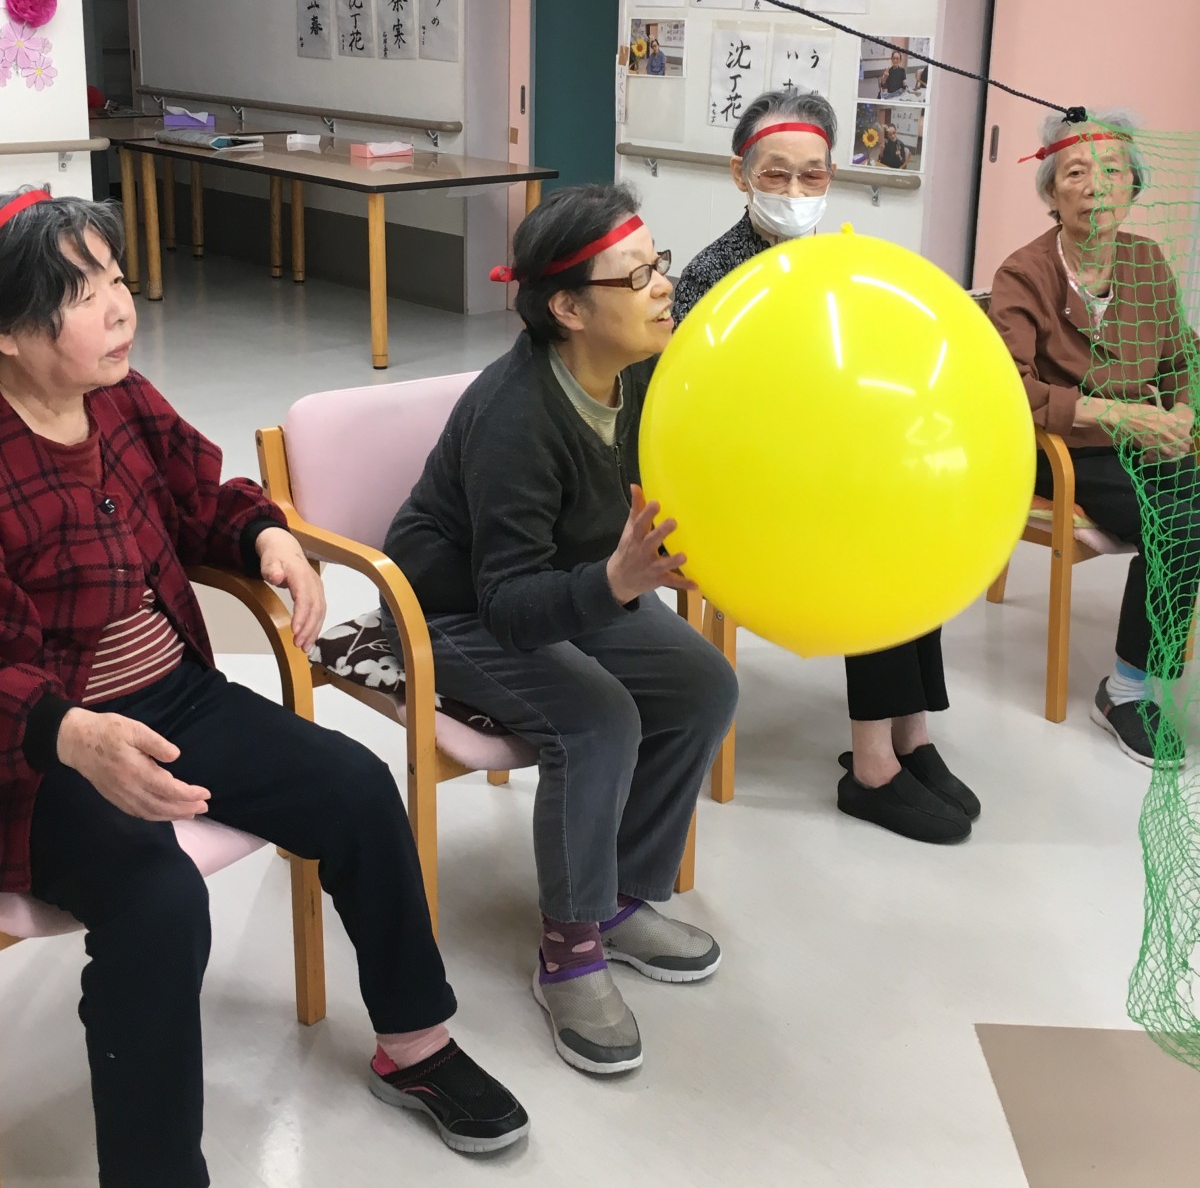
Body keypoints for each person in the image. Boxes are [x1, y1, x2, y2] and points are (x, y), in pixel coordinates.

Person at [0, 190, 528, 1186]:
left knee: (356, 787)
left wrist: (265, 536)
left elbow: (203, 497)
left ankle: (415, 1044)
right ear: (9, 330)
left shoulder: (122, 398)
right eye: (82, 292)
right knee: (158, 904)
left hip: (173, 699)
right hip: (42, 754)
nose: (120, 307)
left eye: (118, 278)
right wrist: (71, 733)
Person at [381, 184, 739, 1076]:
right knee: (598, 719)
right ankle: (569, 947)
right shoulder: (516, 416)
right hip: (448, 611)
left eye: (659, 264)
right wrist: (616, 581)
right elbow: (507, 604)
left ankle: (618, 895)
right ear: (569, 310)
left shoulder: (644, 372)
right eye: (638, 276)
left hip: (569, 579)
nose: (665, 286)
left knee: (704, 686)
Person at [672, 91, 979, 844]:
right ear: (741, 175)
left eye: (812, 175)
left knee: (916, 525)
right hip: (742, 488)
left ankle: (911, 734)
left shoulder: (840, 260)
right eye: (776, 174)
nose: (795, 190)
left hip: (824, 470)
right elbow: (699, 414)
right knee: (871, 541)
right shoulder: (714, 277)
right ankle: (871, 768)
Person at [989, 110, 1200, 765]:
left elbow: (1181, 357)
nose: (1096, 186)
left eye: (1113, 170)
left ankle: (1146, 663)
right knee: (1180, 525)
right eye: (1076, 172)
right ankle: (1126, 692)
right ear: (1052, 194)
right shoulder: (1024, 273)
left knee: (1188, 515)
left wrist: (1182, 412)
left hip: (1143, 443)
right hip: (1064, 450)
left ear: (1134, 185)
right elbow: (1009, 391)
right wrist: (1122, 416)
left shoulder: (1146, 259)